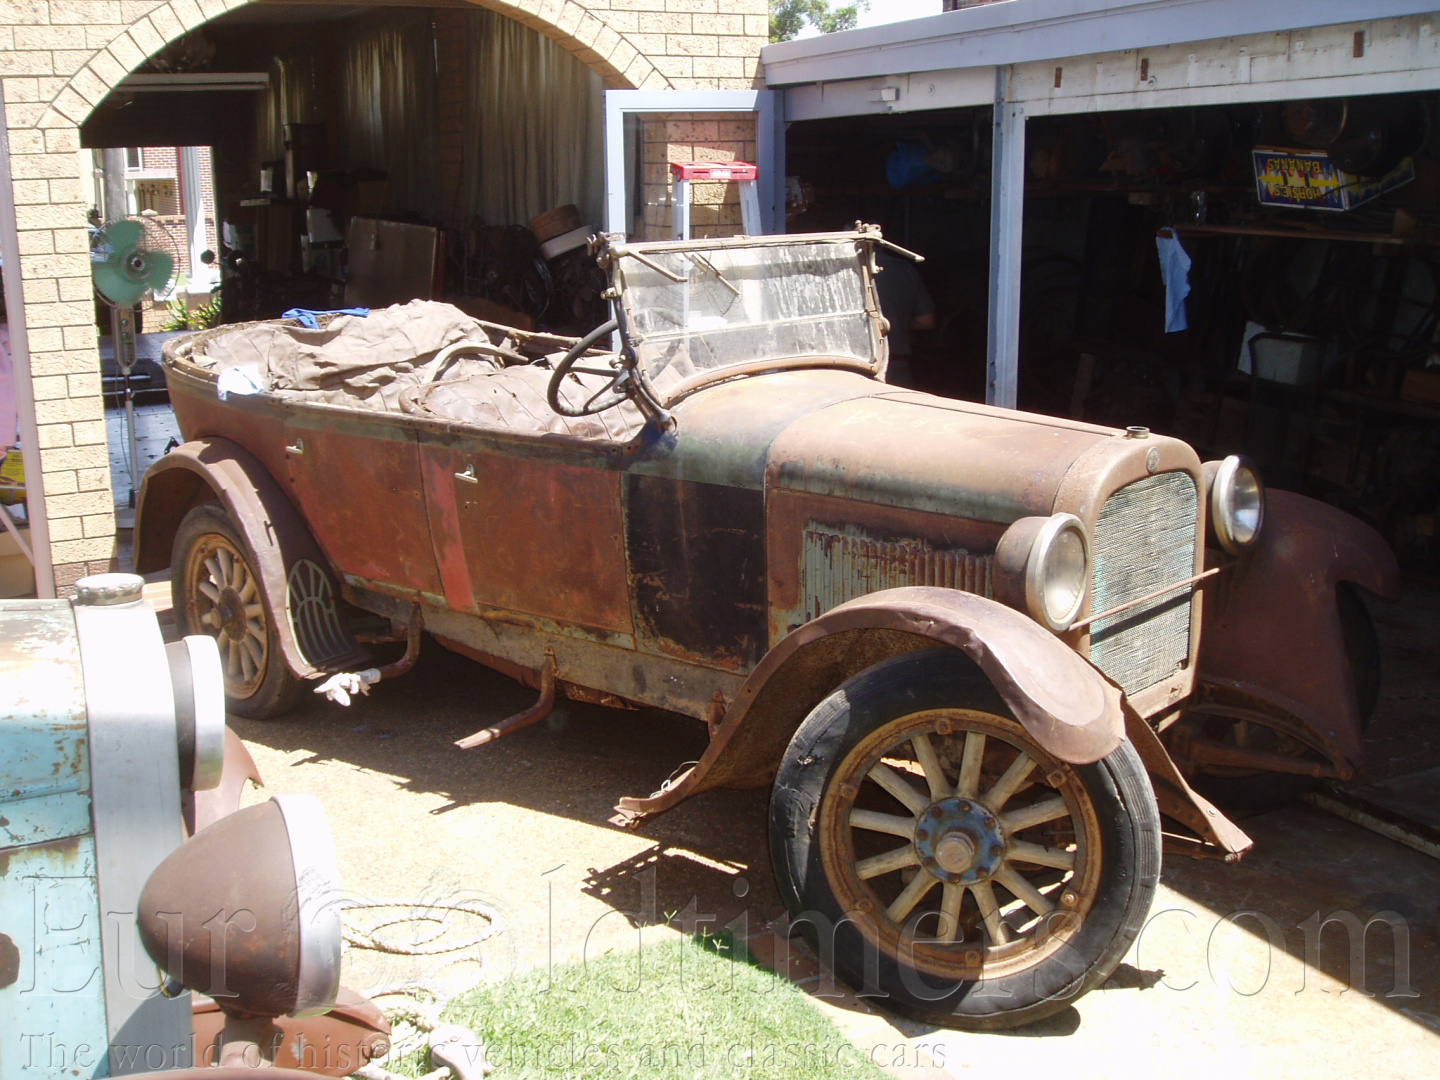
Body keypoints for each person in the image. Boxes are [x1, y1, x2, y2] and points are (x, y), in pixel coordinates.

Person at [873, 248, 935, 388]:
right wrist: (896, 323)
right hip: (897, 370)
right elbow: (926, 321)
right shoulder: (905, 268)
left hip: (850, 370)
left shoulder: (840, 267)